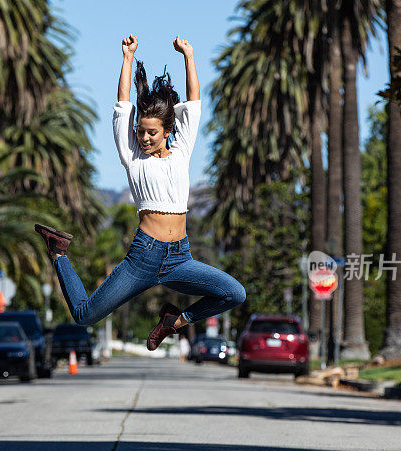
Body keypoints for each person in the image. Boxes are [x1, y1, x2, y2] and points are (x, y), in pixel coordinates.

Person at [35, 34, 245, 351]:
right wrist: (128, 57)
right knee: (84, 315)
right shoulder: (133, 158)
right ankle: (59, 252)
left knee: (234, 293)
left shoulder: (182, 151)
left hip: (180, 258)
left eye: (151, 132)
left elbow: (194, 102)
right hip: (143, 258)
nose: (144, 137)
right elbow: (122, 106)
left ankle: (175, 322)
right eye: (141, 131)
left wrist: (188, 55)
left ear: (167, 131)